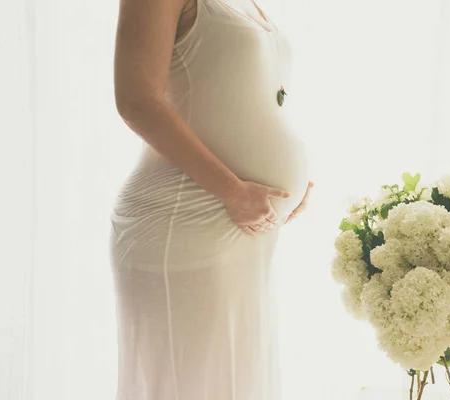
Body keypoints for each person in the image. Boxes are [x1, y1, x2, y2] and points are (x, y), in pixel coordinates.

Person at [109, 0, 313, 398]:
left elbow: (240, 94)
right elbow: (136, 100)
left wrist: (293, 180)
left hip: (242, 230)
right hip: (183, 222)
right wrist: (233, 191)